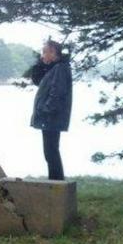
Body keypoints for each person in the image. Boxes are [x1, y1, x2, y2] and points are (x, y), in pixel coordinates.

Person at [27, 40, 73, 181]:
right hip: (50, 117)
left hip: (51, 117)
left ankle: (57, 183)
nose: (43, 55)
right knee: (50, 151)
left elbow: (57, 93)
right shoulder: (53, 68)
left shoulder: (60, 68)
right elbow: (37, 81)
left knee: (51, 152)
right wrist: (41, 64)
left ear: (53, 53)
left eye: (45, 52)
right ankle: (55, 182)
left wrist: (45, 110)